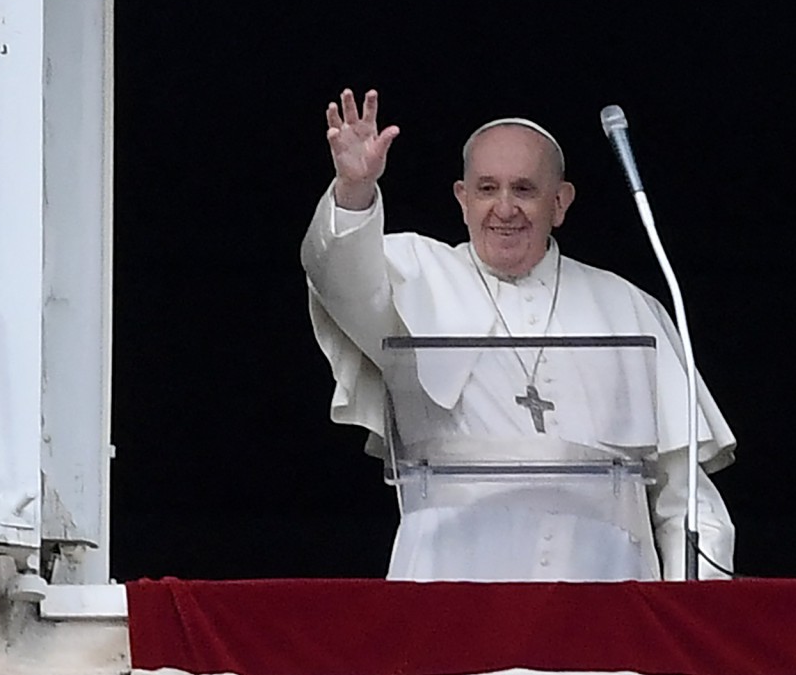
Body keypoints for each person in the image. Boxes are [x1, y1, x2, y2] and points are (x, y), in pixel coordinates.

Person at [303, 88, 736, 580]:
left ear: (560, 202)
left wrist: (692, 615)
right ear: (462, 199)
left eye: (524, 190)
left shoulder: (628, 307)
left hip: (606, 589)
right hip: (449, 584)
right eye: (487, 189)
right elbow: (338, 276)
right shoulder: (412, 272)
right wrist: (353, 190)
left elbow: (686, 498)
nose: (504, 209)